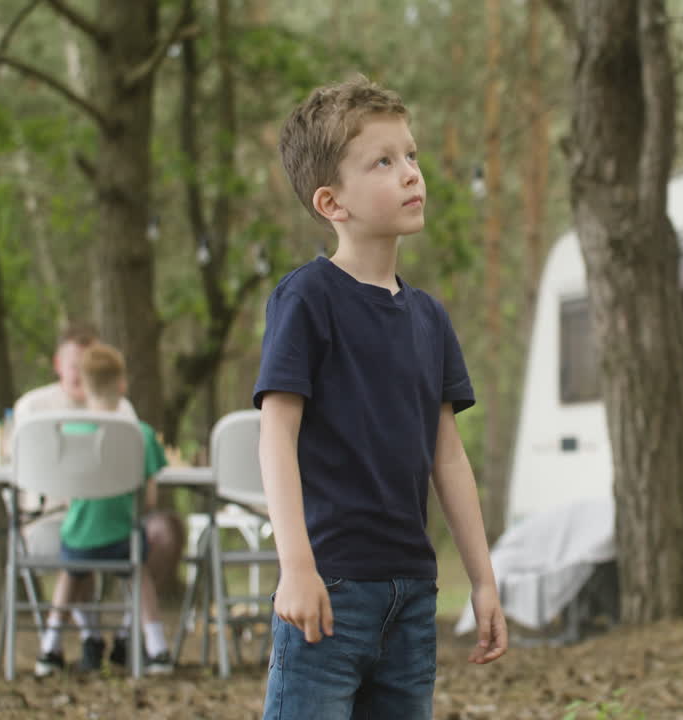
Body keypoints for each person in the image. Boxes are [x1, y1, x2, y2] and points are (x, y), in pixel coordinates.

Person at [255, 76, 507, 719]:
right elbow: (276, 436)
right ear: (331, 201)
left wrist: (481, 579)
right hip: (329, 590)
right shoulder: (306, 299)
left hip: (411, 594)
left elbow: (447, 458)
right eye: (384, 162)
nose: (411, 175)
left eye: (413, 156)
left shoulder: (430, 319)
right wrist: (296, 567)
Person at [14, 323, 183, 667]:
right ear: (58, 364)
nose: (78, 372)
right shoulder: (33, 408)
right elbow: (147, 495)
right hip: (93, 526)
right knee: (135, 565)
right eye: (74, 364)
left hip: (75, 529)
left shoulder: (84, 426)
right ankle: (153, 646)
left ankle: (54, 645)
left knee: (76, 559)